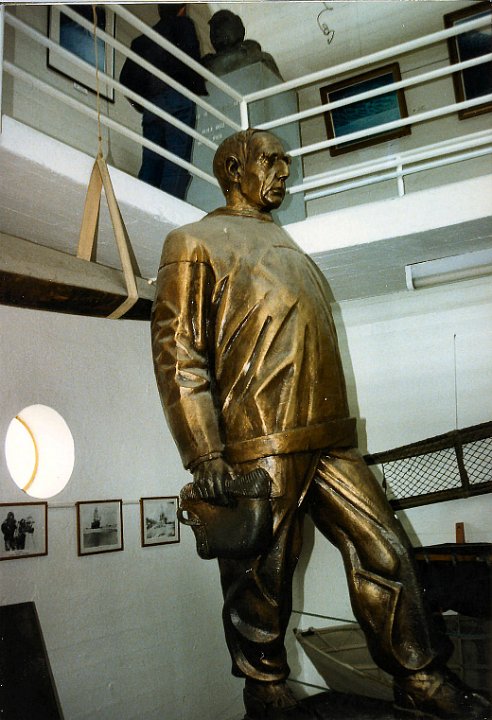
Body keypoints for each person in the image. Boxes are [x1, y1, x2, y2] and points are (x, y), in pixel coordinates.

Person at [150, 129, 490, 720]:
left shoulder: (286, 245)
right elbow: (177, 354)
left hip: (329, 438)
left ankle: (418, 676)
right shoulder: (193, 242)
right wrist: (205, 453)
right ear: (233, 171)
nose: (284, 169)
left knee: (386, 552)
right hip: (261, 441)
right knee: (261, 577)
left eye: (284, 160)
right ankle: (264, 687)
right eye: (270, 160)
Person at [119, 3, 207, 199]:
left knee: (151, 164)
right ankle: (169, 208)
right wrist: (197, 84)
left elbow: (125, 80)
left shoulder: (142, 40)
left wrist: (142, 105)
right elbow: (192, 60)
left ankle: (142, 205)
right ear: (182, 8)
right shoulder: (183, 24)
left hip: (152, 106)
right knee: (176, 163)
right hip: (178, 99)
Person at [202, 9, 282, 79]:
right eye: (213, 27)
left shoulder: (261, 57)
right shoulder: (204, 65)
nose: (217, 30)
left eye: (223, 22)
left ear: (239, 27)